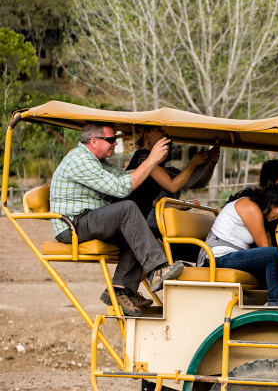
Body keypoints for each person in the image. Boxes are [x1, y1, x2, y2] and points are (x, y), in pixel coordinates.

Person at [49, 123, 185, 317]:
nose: (115, 144)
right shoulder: (80, 160)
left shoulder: (98, 162)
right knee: (128, 209)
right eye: (111, 140)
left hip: (89, 218)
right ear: (93, 141)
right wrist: (151, 159)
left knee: (138, 228)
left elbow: (124, 176)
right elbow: (120, 189)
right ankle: (157, 270)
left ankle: (121, 289)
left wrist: (152, 163)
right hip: (73, 224)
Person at [197, 185, 278, 306]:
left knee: (274, 255)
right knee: (273, 255)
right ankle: (275, 304)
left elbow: (268, 248)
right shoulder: (251, 208)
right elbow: (267, 250)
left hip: (230, 257)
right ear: (272, 203)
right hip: (215, 259)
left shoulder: (262, 215)